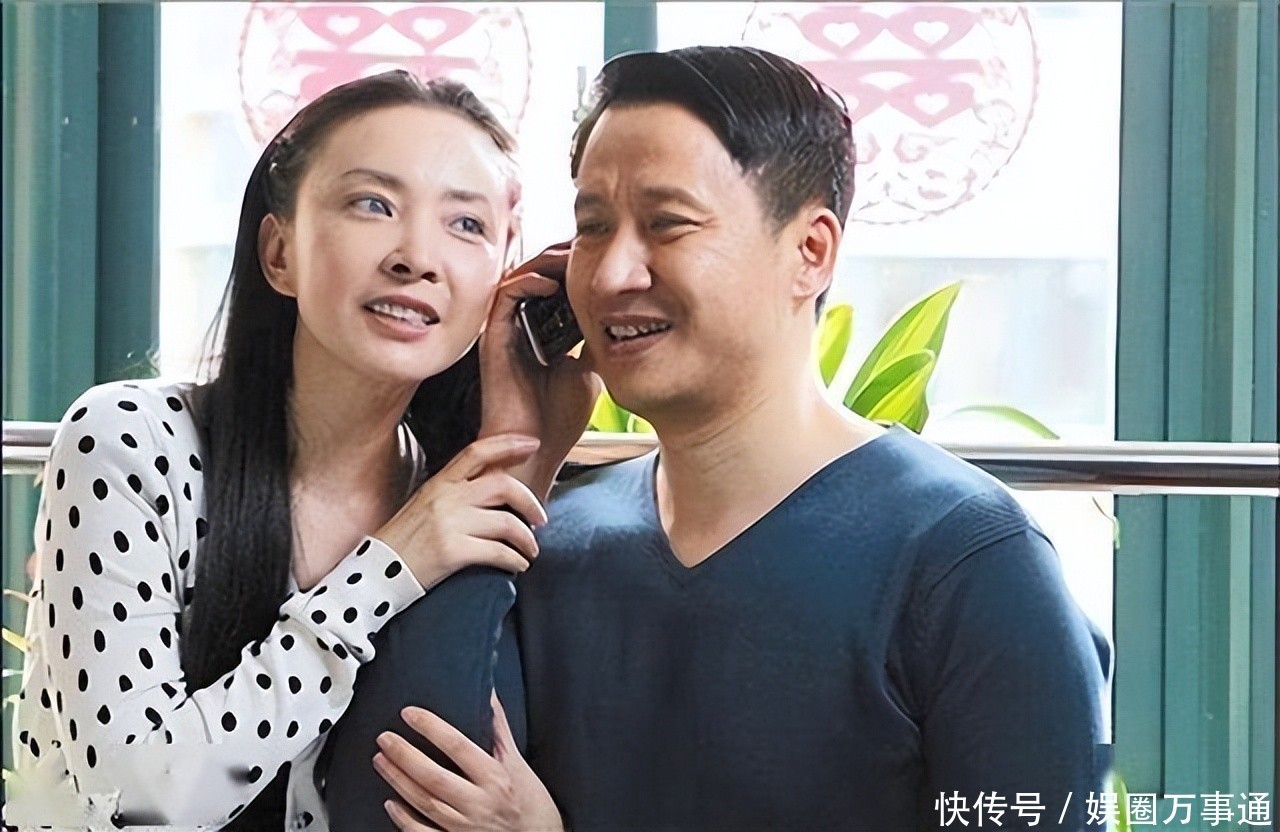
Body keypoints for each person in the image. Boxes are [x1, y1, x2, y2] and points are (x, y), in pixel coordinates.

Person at [360, 46, 1112, 832]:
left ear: (810, 252)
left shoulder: (969, 560)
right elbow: (404, 783)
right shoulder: (560, 538)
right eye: (592, 227)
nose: (612, 273)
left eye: (667, 225)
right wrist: (516, 447)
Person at [4, 70, 593, 831]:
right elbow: (134, 807)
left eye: (466, 225)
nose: (418, 256)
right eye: (373, 204)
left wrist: (520, 454)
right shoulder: (133, 441)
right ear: (279, 251)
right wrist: (390, 566)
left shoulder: (447, 495)